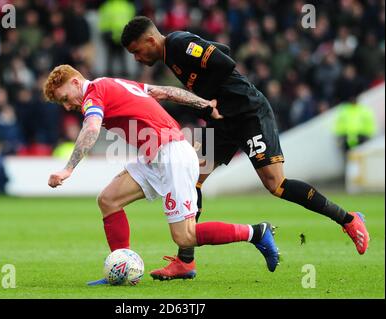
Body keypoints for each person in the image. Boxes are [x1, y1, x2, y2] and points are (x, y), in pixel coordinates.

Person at [120, 16, 370, 280]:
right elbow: (222, 50)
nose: (136, 58)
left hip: (248, 114)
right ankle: (185, 261)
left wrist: (209, 97)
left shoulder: (179, 45)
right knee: (192, 177)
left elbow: (224, 61)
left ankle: (349, 219)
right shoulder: (172, 53)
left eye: (136, 51)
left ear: (150, 40)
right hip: (223, 121)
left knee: (276, 185)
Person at [43, 64, 280, 284]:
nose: (67, 106)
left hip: (171, 155)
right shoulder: (113, 84)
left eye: (65, 98)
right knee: (109, 200)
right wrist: (205, 104)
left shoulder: (93, 93)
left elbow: (92, 126)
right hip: (154, 156)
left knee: (185, 237)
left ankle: (257, 232)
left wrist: (68, 168)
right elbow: (165, 92)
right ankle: (121, 266)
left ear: (75, 82)